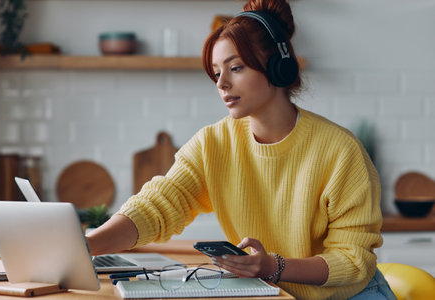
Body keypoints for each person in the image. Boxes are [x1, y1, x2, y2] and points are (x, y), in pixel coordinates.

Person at [87, 0, 396, 299]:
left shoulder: (340, 151)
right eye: (216, 72)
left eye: (235, 68)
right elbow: (157, 206)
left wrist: (274, 266)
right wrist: (87, 244)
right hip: (274, 293)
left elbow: (355, 261)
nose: (221, 84)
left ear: (278, 68)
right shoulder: (213, 143)